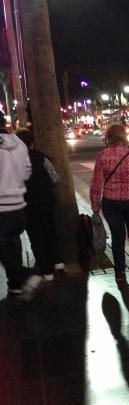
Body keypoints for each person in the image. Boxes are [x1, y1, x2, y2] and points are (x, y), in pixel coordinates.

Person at [90, 124, 129, 285]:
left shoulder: (102, 156)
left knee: (117, 237)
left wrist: (95, 208)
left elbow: (96, 184)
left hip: (111, 202)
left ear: (108, 138)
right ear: (123, 136)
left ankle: (120, 273)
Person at [0, 113, 43, 300]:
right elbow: (27, 173)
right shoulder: (19, 144)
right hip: (18, 207)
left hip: (1, 209)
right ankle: (16, 286)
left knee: (3, 248)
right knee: (12, 245)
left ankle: (26, 276)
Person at [15, 128, 64, 281]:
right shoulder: (41, 157)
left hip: (27, 203)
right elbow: (55, 179)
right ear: (32, 142)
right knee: (50, 231)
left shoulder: (14, 160)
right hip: (46, 201)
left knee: (35, 236)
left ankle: (46, 271)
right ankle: (58, 262)